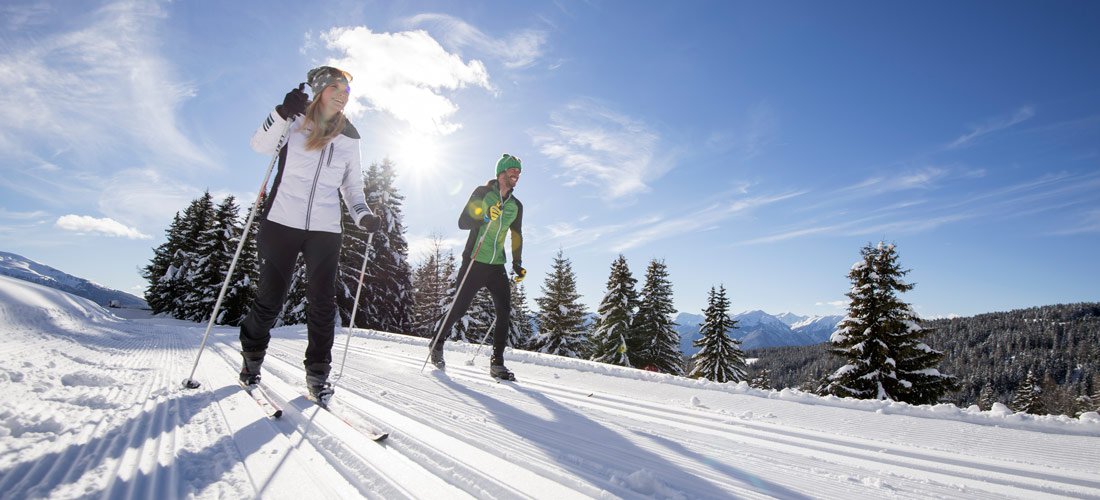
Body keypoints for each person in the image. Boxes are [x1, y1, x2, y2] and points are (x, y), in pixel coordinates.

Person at [238, 66, 381, 404]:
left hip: (325, 228)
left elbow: (352, 187)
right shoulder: (294, 121)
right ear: (319, 91)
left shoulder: (350, 136)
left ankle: (318, 375)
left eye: (347, 90)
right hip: (281, 222)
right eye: (336, 87)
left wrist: (363, 216)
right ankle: (251, 358)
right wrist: (281, 111)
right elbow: (259, 145)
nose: (343, 94)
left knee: (322, 305)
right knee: (270, 300)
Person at [429, 154, 526, 380]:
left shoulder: (516, 206)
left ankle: (497, 363)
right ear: (501, 173)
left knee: (504, 311)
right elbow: (463, 222)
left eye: (519, 173)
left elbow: (517, 235)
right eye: (513, 171)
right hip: (474, 260)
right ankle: (437, 343)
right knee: (459, 308)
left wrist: (518, 264)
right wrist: (484, 217)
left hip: (496, 265)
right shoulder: (482, 194)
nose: (517, 175)